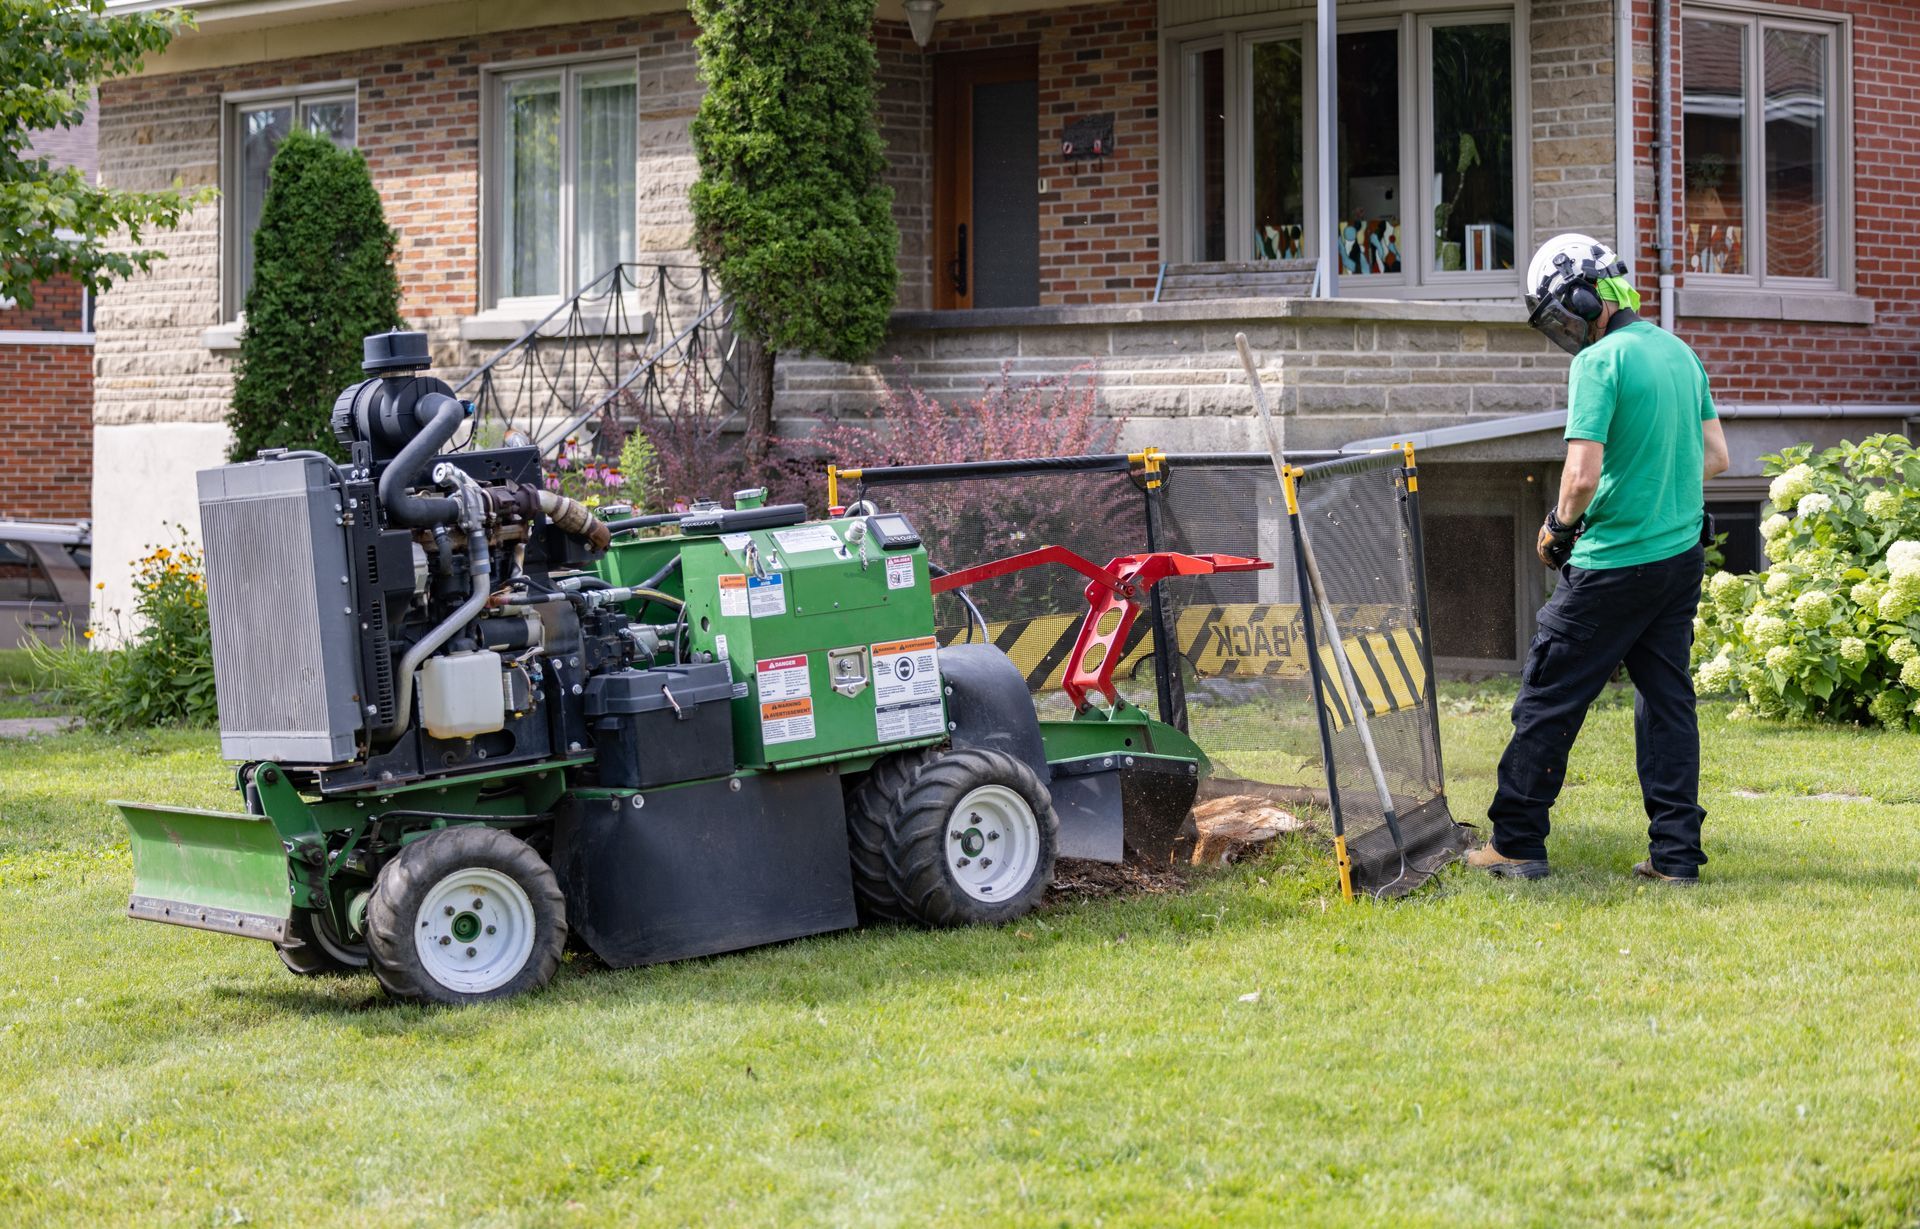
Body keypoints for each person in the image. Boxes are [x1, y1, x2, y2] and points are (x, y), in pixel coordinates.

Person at [1467, 234, 1730, 885]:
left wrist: (1558, 527)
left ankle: (1516, 842)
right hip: (1678, 560)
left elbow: (1581, 477)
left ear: (1589, 299)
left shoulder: (1599, 364)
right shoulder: (1678, 352)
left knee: (1548, 695)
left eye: (1563, 314)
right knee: (1667, 702)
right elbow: (1717, 457)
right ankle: (1675, 858)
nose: (1564, 331)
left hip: (1613, 564)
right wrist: (1655, 490)